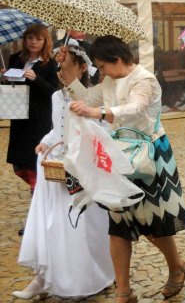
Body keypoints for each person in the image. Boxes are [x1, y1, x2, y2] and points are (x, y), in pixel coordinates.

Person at [57, 35, 185, 303]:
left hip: (148, 155)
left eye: (102, 66)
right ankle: (123, 292)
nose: (101, 72)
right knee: (117, 222)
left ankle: (177, 267)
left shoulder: (145, 79)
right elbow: (87, 98)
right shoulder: (109, 79)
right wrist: (69, 71)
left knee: (153, 223)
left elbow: (135, 108)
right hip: (119, 154)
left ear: (117, 60)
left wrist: (99, 113)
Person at [14, 45, 114, 300]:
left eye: (66, 60)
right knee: (53, 225)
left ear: (82, 66)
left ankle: (89, 277)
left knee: (81, 224)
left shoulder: (94, 95)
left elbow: (103, 130)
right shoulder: (57, 97)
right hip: (56, 168)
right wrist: (45, 143)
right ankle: (44, 278)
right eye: (59, 60)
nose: (61, 65)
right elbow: (55, 130)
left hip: (83, 168)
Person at [3, 24, 58, 203]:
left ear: (45, 41)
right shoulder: (15, 58)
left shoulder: (51, 64)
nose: (33, 42)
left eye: (38, 38)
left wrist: (36, 79)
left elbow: (54, 92)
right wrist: (6, 78)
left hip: (38, 120)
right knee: (19, 166)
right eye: (30, 38)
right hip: (19, 116)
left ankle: (37, 214)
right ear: (25, 40)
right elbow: (11, 89)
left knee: (35, 166)